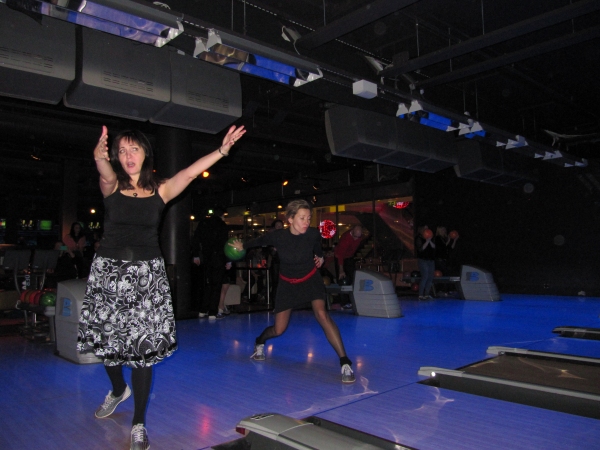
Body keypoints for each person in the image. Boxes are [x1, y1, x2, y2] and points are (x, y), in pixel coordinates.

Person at [77, 123, 245, 450]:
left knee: (142, 353)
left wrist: (222, 150)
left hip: (146, 277)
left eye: (134, 149)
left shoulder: (160, 189)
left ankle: (138, 423)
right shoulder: (112, 185)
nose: (128, 156)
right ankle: (117, 390)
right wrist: (99, 157)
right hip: (109, 274)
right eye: (121, 151)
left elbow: (190, 173)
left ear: (145, 154)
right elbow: (105, 174)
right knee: (109, 347)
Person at [230, 199, 355, 384]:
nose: (306, 222)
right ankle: (260, 341)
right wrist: (242, 246)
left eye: (309, 218)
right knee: (279, 329)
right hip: (287, 285)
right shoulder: (278, 236)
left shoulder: (313, 234)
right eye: (302, 218)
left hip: (311, 280)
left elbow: (318, 250)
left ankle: (345, 362)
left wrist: (320, 258)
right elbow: (258, 241)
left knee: (322, 314)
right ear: (290, 219)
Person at [192, 206, 231, 319]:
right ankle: (213, 312)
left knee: (207, 283)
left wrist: (196, 255)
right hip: (219, 257)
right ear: (222, 215)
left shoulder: (203, 223)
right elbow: (225, 244)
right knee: (216, 284)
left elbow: (196, 239)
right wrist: (228, 260)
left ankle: (203, 309)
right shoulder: (222, 226)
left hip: (207, 256)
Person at [334, 224, 366, 308]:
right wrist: (341, 270)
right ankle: (344, 302)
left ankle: (353, 300)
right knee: (343, 279)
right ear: (352, 231)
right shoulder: (345, 239)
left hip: (349, 257)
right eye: (355, 237)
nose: (356, 239)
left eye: (358, 237)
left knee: (353, 277)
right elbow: (340, 255)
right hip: (340, 257)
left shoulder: (360, 237)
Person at [416, 225, 435, 300]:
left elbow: (434, 247)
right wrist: (427, 241)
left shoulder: (430, 238)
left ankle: (427, 294)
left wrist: (429, 241)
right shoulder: (419, 238)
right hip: (423, 260)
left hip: (430, 260)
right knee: (425, 276)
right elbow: (421, 249)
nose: (427, 230)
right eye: (425, 228)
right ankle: (420, 295)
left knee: (430, 277)